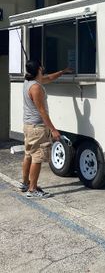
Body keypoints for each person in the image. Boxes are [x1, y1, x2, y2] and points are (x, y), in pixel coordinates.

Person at [19, 60, 72, 198]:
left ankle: (25, 183)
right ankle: (32, 190)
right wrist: (53, 130)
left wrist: (62, 72)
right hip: (37, 128)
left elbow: (48, 78)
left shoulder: (28, 81)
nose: (43, 67)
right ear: (39, 69)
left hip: (28, 126)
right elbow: (42, 112)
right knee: (37, 158)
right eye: (41, 66)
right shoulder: (36, 88)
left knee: (28, 155)